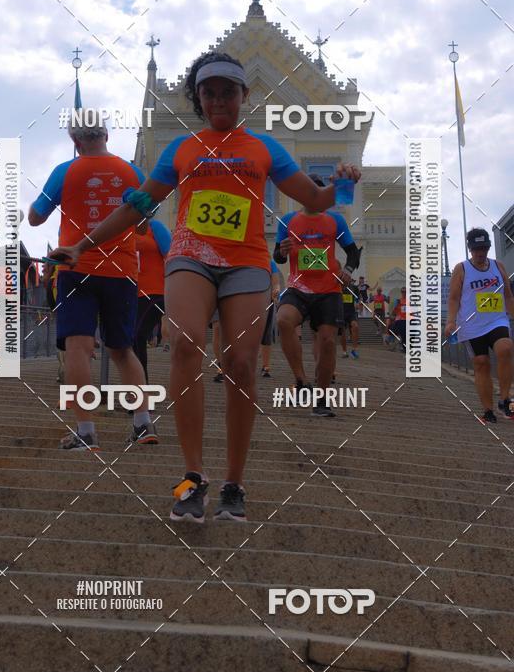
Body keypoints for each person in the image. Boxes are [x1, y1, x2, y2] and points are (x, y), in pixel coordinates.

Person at [50, 51, 360, 521]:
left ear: (243, 96)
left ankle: (234, 483)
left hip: (247, 262)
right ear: (198, 97)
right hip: (191, 257)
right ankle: (192, 477)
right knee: (185, 343)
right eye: (209, 91)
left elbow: (316, 199)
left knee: (240, 361)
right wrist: (83, 245)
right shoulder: (181, 149)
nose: (219, 99)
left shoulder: (265, 149)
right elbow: (138, 205)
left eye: (228, 92)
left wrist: (344, 184)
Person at [29, 114, 158, 451]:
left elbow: (35, 217)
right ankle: (143, 424)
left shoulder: (64, 171)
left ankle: (86, 431)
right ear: (107, 135)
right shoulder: (134, 173)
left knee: (78, 347)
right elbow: (143, 226)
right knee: (122, 349)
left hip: (77, 266)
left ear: (76, 142)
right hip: (123, 271)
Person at [274, 175, 361, 417]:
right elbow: (278, 257)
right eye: (308, 192)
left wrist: (348, 271)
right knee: (283, 320)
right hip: (298, 287)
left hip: (328, 290)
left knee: (328, 342)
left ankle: (321, 400)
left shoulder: (335, 221)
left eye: (318, 192)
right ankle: (301, 380)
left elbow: (353, 253)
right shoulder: (289, 221)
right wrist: (282, 251)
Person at [445, 228, 514, 424]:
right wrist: (450, 321)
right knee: (481, 363)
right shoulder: (462, 268)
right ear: (470, 249)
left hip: (496, 320)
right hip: (471, 325)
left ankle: (505, 399)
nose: (480, 253)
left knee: (506, 348)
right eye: (476, 249)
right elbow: (454, 298)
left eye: (484, 248)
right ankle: (488, 410)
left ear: (489, 248)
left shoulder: (498, 266)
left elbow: (508, 296)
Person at [133, 217, 171, 381]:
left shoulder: (154, 226)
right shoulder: (122, 228)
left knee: (137, 336)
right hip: (130, 293)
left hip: (155, 293)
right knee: (131, 340)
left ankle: (141, 394)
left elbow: (171, 255)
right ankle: (139, 391)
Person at [260, 259, 281, 377]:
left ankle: (266, 366)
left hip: (267, 300)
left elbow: (276, 281)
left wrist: (276, 288)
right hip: (248, 300)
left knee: (266, 335)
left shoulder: (270, 262)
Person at [339, 280, 360, 358]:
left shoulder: (354, 288)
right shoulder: (338, 287)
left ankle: (354, 350)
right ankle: (344, 351)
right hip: (341, 312)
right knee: (343, 332)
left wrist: (358, 303)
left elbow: (358, 298)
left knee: (355, 326)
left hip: (351, 312)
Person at [388, 287, 408, 351]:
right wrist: (392, 316)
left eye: (405, 292)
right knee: (393, 330)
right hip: (399, 320)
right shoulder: (398, 301)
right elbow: (394, 310)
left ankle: (404, 347)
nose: (404, 293)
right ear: (401, 292)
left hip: (406, 320)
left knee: (404, 335)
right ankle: (392, 343)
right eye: (402, 292)